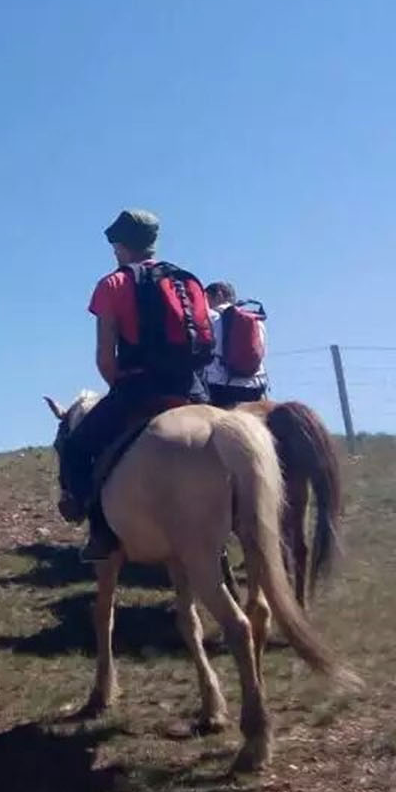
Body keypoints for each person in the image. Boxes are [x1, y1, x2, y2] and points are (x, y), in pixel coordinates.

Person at [56, 209, 213, 559]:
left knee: (78, 448)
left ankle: (101, 534)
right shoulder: (188, 281)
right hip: (194, 391)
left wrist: (121, 389)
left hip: (139, 390)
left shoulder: (112, 284)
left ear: (121, 245)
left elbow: (105, 358)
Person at [204, 280, 270, 406]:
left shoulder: (209, 317)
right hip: (254, 389)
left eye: (207, 298)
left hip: (218, 389)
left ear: (219, 294)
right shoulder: (256, 319)